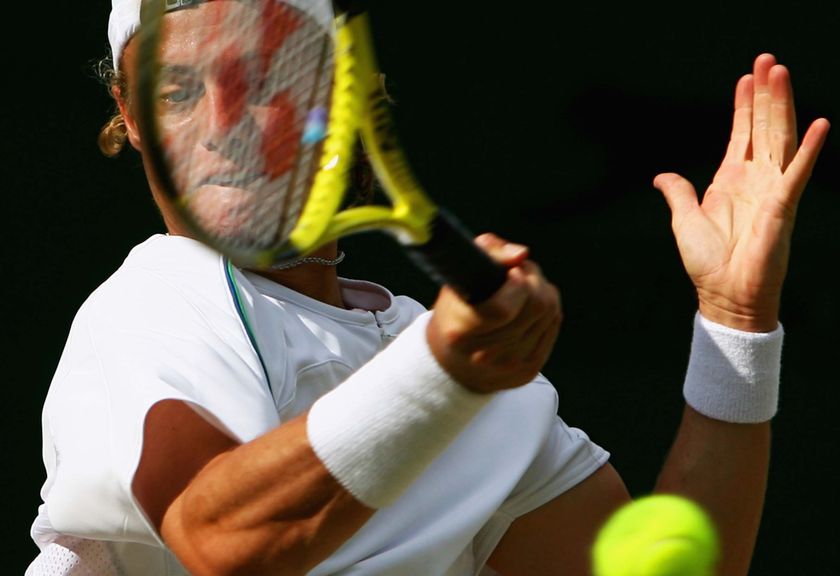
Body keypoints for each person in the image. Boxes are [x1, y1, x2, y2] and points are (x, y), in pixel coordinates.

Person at [26, 0, 829, 575]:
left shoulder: (441, 352)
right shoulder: (153, 303)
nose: (218, 122)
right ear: (129, 119)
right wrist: (442, 374)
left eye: (259, 77)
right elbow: (223, 546)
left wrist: (736, 324)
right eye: (175, 93)